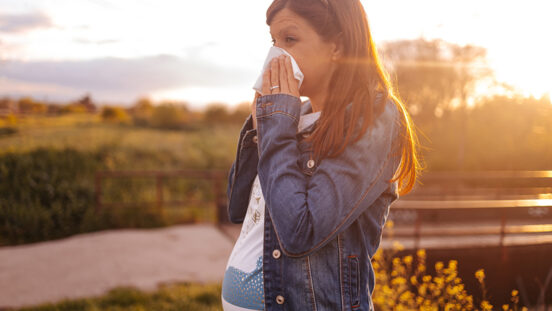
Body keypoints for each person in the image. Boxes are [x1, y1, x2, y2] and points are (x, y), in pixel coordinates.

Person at [222, 0, 421, 309]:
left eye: (290, 39)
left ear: (337, 46)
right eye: (273, 41)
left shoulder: (373, 118)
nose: (276, 55)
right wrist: (262, 127)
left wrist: (275, 124)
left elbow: (301, 232)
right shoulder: (293, 117)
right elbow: (236, 208)